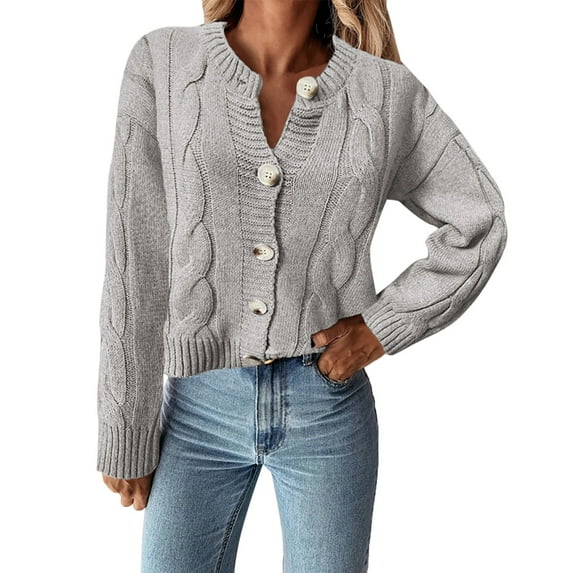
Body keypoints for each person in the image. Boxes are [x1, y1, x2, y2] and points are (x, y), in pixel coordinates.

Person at [96, 0, 508, 570]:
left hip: (327, 409)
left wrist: (380, 327)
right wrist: (126, 426)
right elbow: (133, 256)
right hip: (196, 409)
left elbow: (480, 220)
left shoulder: (385, 92)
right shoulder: (164, 61)